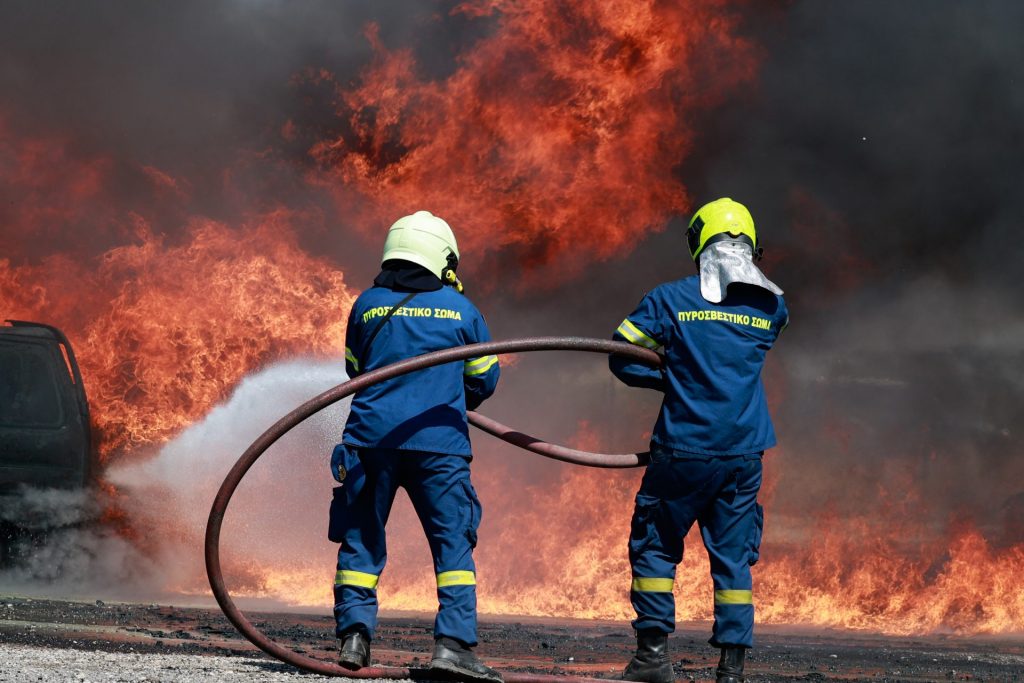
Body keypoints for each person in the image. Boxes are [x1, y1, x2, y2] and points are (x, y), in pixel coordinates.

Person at [609, 198, 788, 683]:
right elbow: (748, 345)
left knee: (656, 547)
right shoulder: (772, 304)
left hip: (683, 450)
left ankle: (651, 658)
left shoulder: (669, 299)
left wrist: (672, 376)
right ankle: (731, 669)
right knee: (733, 558)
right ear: (751, 246)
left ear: (697, 242)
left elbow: (620, 353)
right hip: (743, 455)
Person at [330, 210, 501, 682]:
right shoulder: (463, 311)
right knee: (452, 547)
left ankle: (355, 639)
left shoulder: (366, 304)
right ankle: (452, 647)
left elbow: (354, 369)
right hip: (438, 446)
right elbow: (484, 381)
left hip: (370, 440)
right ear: (442, 258)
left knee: (362, 541)